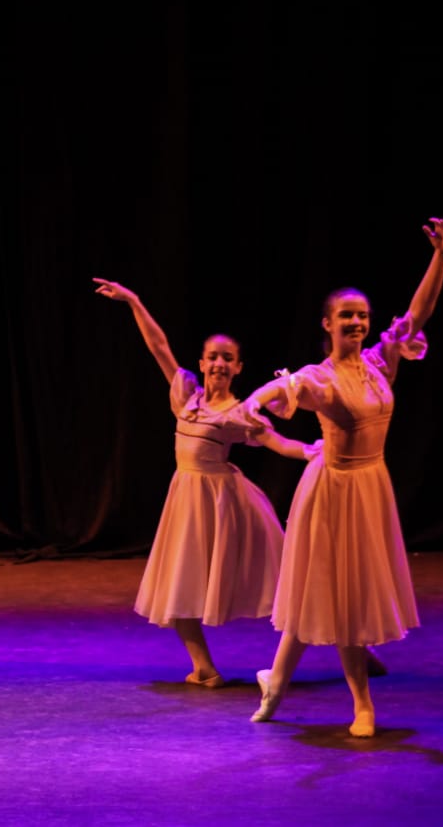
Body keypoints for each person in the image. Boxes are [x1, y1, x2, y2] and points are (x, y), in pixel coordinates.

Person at [245, 217, 443, 737]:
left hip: (370, 487)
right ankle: (363, 705)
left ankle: (276, 681)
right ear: (327, 323)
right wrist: (252, 402)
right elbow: (277, 390)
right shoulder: (321, 379)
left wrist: (442, 256)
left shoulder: (381, 363)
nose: (356, 323)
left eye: (361, 316)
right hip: (335, 491)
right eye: (346, 316)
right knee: (341, 599)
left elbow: (419, 312)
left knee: (327, 595)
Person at [93, 277, 324, 688]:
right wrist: (133, 301)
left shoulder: (240, 413)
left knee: (284, 582)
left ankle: (350, 646)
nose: (218, 363)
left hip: (223, 502)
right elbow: (158, 347)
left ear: (238, 367)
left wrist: (312, 451)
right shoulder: (185, 395)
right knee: (176, 586)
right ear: (201, 363)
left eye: (227, 358)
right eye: (212, 357)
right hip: (186, 499)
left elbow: (277, 441)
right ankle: (204, 667)